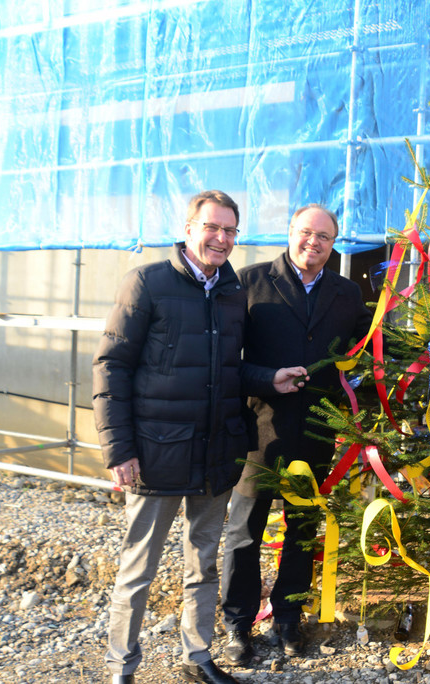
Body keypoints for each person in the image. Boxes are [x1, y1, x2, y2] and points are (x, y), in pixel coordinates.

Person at [94, 190, 308, 684]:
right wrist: (119, 449)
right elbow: (111, 367)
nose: (221, 238)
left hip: (216, 453)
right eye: (212, 227)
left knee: (203, 564)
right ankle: (121, 668)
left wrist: (269, 378)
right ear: (189, 228)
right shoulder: (147, 283)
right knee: (138, 569)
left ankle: (198, 657)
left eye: (230, 230)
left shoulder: (233, 292)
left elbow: (229, 369)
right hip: (157, 453)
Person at [220, 204, 372, 664]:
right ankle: (239, 623)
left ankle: (288, 617)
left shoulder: (347, 293)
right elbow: (226, 360)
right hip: (259, 430)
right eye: (306, 232)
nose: (314, 243)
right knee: (244, 531)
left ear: (334, 244)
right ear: (290, 233)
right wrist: (268, 378)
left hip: (316, 433)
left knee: (302, 529)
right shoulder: (248, 282)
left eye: (324, 237)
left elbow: (367, 352)